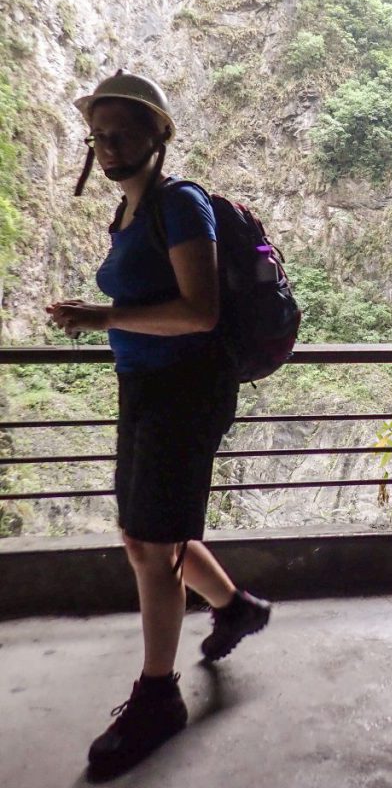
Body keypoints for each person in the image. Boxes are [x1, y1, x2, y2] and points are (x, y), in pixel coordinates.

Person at [46, 70, 271, 780]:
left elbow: (199, 312)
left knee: (152, 539)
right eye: (98, 136)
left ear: (158, 135)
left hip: (185, 389)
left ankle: (157, 696)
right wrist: (104, 317)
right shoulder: (130, 213)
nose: (108, 147)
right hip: (142, 384)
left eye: (122, 134)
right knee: (144, 533)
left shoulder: (181, 205)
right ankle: (237, 607)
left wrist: (102, 317)